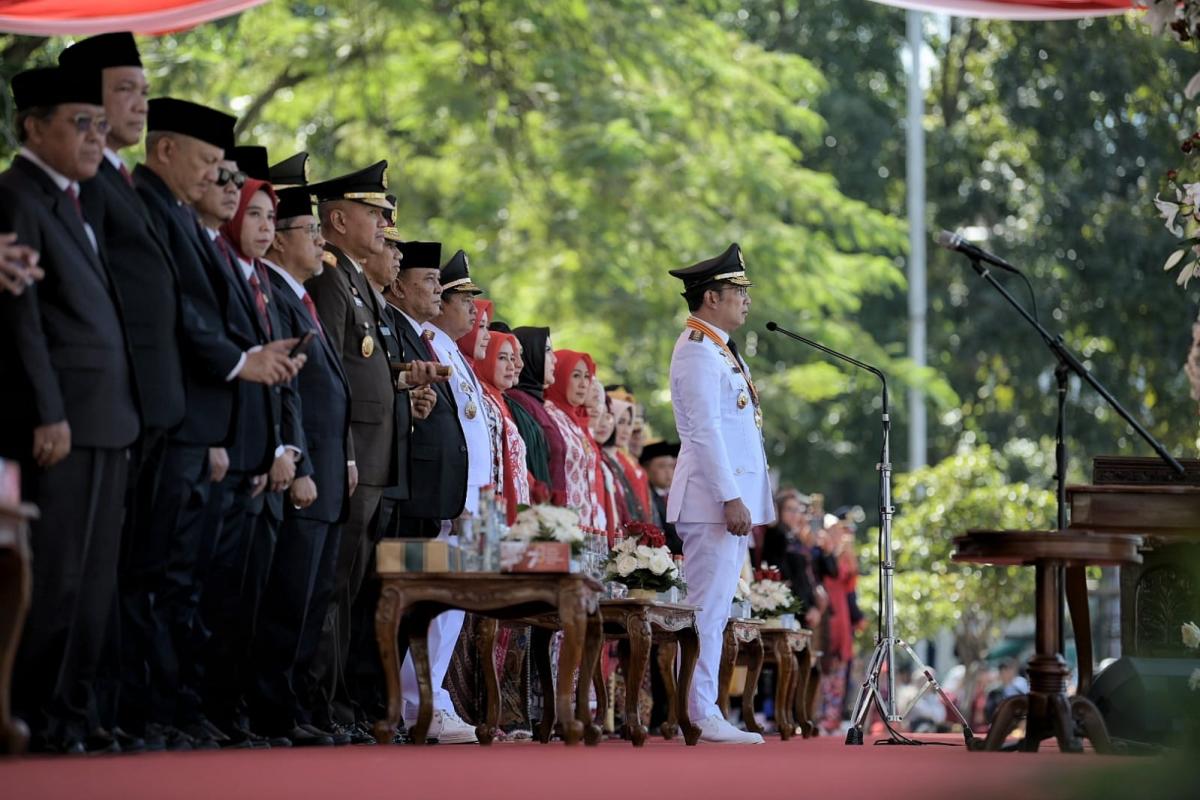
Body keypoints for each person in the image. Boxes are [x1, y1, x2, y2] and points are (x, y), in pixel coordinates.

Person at [133, 96, 301, 749]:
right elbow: (180, 321)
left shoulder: (185, 223)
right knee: (167, 581)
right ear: (167, 150)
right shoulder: (157, 212)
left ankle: (185, 708)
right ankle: (155, 709)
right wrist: (239, 382)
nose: (216, 182)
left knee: (208, 591)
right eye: (211, 166)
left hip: (227, 443)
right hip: (189, 432)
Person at [0, 65, 142, 754]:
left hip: (105, 417)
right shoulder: (18, 195)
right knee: (53, 576)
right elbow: (23, 318)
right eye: (79, 124)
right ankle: (32, 715)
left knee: (90, 581)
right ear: (33, 126)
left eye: (98, 123)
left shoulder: (73, 200)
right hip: (61, 421)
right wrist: (47, 411)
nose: (96, 136)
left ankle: (69, 715)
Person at [59, 31, 181, 751]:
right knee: (89, 571)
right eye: (124, 89)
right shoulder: (86, 186)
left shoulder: (117, 180)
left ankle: (99, 710)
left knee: (118, 571)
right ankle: (79, 711)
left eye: (141, 89)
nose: (138, 103)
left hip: (135, 407)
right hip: (99, 403)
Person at [250, 177, 351, 747]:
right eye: (310, 230)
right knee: (287, 597)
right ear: (280, 240)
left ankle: (292, 705)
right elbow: (291, 393)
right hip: (304, 471)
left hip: (329, 473)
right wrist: (303, 460)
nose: (319, 241)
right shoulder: (273, 291)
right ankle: (272, 709)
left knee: (312, 600)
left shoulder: (302, 296)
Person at [303, 161, 401, 742]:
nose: (385, 223)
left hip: (372, 454)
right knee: (333, 584)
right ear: (338, 219)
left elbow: (366, 366)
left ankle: (336, 701)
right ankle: (318, 700)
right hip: (352, 453)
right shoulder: (330, 276)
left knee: (351, 583)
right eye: (374, 213)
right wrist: (342, 452)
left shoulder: (358, 280)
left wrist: (401, 378)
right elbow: (331, 371)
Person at [666, 242, 771, 744]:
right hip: (711, 502)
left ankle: (702, 706)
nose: (746, 300)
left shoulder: (719, 350)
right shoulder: (697, 350)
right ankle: (700, 710)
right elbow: (704, 431)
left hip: (723, 502)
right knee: (707, 609)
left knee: (715, 609)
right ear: (711, 298)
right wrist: (731, 496)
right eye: (737, 291)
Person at [385, 240, 475, 743]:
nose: (440, 294)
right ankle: (420, 702)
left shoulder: (438, 344)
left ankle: (431, 699)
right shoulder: (419, 337)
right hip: (424, 490)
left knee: (446, 604)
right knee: (426, 605)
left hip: (453, 494)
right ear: (400, 286)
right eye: (432, 283)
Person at [477, 330, 531, 523]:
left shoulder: (500, 402)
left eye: (513, 358)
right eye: (502, 358)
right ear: (486, 358)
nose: (512, 365)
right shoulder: (482, 400)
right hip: (491, 508)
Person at [544, 349, 600, 527]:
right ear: (559, 376)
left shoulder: (575, 421)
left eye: (587, 377)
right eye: (576, 376)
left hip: (588, 529)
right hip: (562, 527)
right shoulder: (549, 414)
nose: (584, 384)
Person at [508, 326, 564, 504]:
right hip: (536, 507)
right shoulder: (519, 400)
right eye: (547, 351)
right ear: (530, 354)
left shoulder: (536, 403)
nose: (554, 360)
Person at [760, 490, 825, 631]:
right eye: (789, 509)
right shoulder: (777, 535)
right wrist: (807, 608)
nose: (794, 514)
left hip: (803, 607)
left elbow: (805, 576)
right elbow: (787, 577)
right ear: (780, 510)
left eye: (797, 510)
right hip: (788, 606)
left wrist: (813, 606)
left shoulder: (794, 537)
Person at [639, 440, 681, 554]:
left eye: (671, 466)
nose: (668, 472)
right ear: (646, 469)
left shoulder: (674, 495)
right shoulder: (647, 497)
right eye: (662, 466)